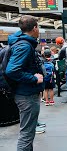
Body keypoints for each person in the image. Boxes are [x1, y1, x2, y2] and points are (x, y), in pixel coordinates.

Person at [5, 15, 45, 151]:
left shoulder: (20, 40)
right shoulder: (24, 46)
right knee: (27, 133)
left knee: (28, 132)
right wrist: (34, 78)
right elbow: (12, 71)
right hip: (26, 95)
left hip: (24, 94)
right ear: (34, 28)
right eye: (38, 26)